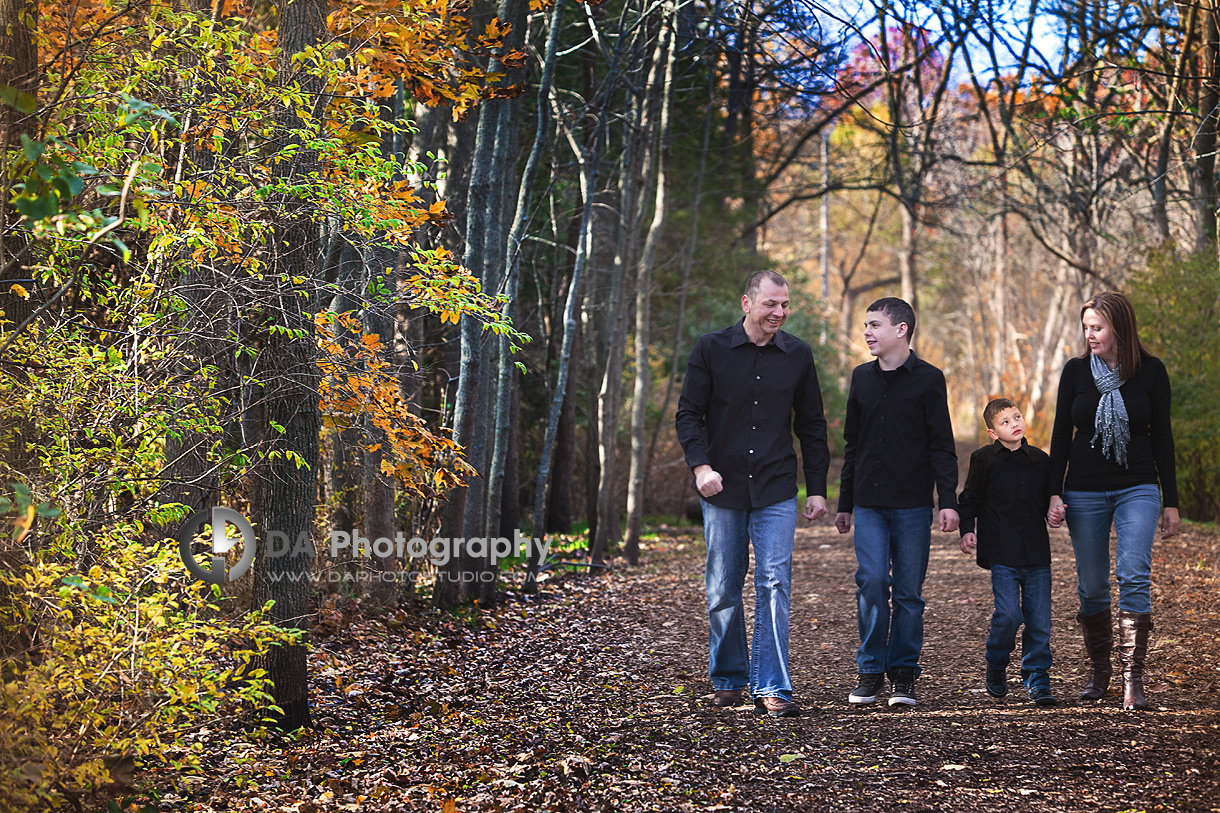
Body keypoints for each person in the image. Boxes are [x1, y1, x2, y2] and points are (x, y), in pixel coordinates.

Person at [676, 270, 830, 718]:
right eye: (770, 304)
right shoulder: (711, 349)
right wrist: (700, 466)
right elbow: (689, 415)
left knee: (774, 583)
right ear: (747, 303)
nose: (779, 313)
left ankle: (772, 687)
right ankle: (728, 679)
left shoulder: (798, 354)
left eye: (784, 305)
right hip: (721, 488)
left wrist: (817, 489)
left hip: (776, 487)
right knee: (723, 587)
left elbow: (812, 426)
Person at [1047, 291, 1178, 711]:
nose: (1089, 335)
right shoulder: (1075, 372)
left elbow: (1163, 437)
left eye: (1097, 328)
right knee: (1092, 584)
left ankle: (1131, 679)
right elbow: (1059, 435)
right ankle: (1099, 670)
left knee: (1134, 572)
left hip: (1138, 486)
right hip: (1083, 490)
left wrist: (1171, 500)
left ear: (1120, 328)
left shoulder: (1152, 372)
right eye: (1086, 327)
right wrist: (1053, 489)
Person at [834, 297, 959, 708]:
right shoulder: (861, 378)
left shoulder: (929, 379)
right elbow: (853, 444)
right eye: (865, 325)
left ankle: (903, 674)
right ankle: (870, 670)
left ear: (901, 329)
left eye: (874, 325)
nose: (867, 332)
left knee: (908, 592)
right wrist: (845, 501)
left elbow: (942, 444)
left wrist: (948, 500)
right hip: (869, 502)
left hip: (912, 505)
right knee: (871, 582)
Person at [958, 398, 1059, 708]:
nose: (1015, 423)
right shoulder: (983, 459)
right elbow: (969, 498)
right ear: (992, 432)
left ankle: (1037, 678)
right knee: (1009, 615)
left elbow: (1047, 502)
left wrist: (1055, 513)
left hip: (1036, 553)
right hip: (1001, 552)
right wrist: (967, 529)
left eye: (1017, 417)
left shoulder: (1041, 460)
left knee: (1039, 620)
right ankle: (997, 662)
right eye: (1005, 422)